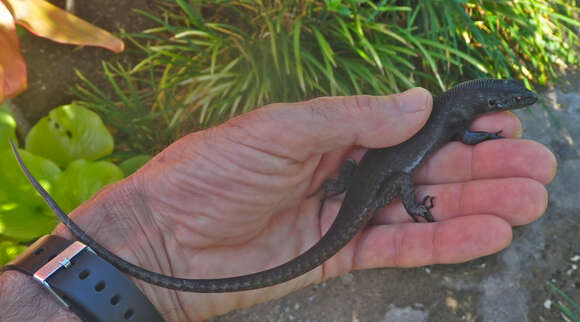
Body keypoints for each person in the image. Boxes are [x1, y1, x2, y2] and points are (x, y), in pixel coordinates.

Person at [0, 88, 556, 321]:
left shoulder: (455, 107)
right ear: (489, 102)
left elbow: (453, 131)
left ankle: (368, 192)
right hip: (381, 184)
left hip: (361, 183)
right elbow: (462, 135)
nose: (514, 105)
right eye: (509, 102)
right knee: (396, 183)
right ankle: (403, 201)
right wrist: (414, 199)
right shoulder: (457, 116)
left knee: (376, 178)